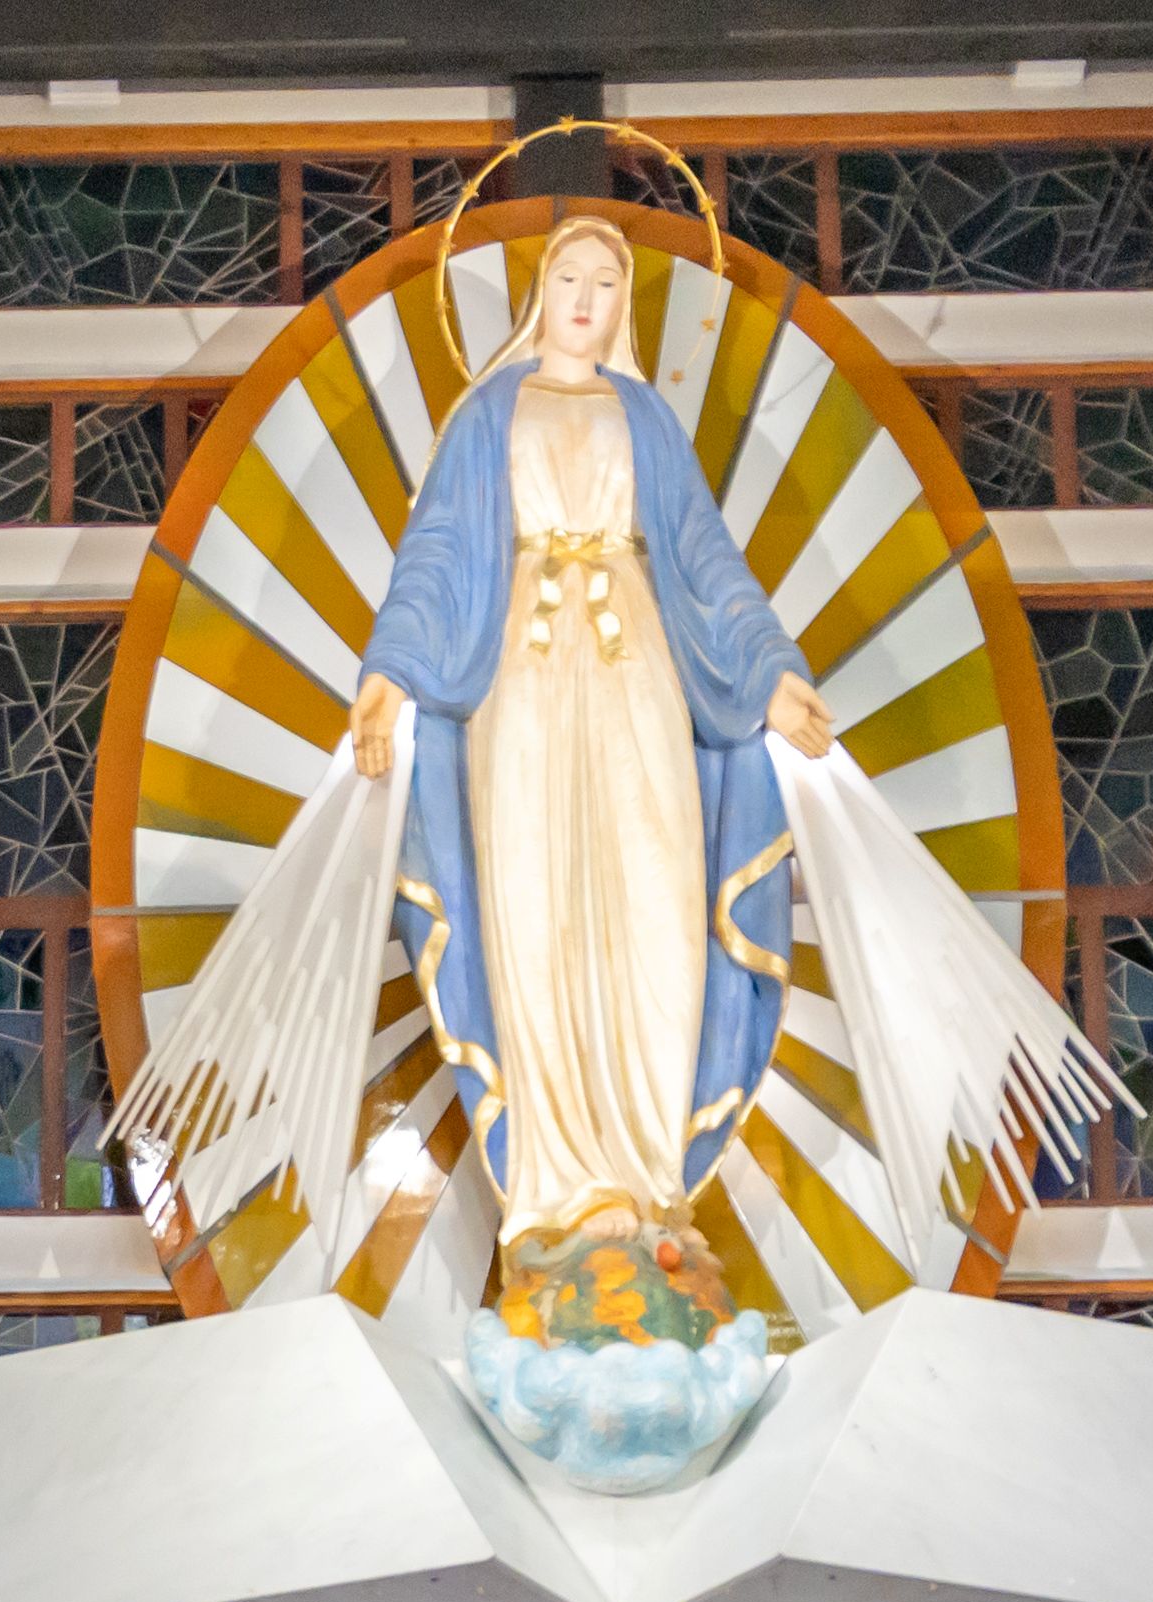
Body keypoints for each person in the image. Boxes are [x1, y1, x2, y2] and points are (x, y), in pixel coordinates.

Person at [346, 214, 831, 1246]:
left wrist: (771, 678)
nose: (584, 298)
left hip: (636, 669)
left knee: (657, 892)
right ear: (539, 293)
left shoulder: (644, 415)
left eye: (605, 284)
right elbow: (436, 553)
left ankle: (648, 1179)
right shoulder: (490, 413)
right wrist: (388, 676)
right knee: (529, 895)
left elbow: (702, 553)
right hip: (519, 677)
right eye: (567, 277)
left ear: (623, 308)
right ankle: (556, 1186)